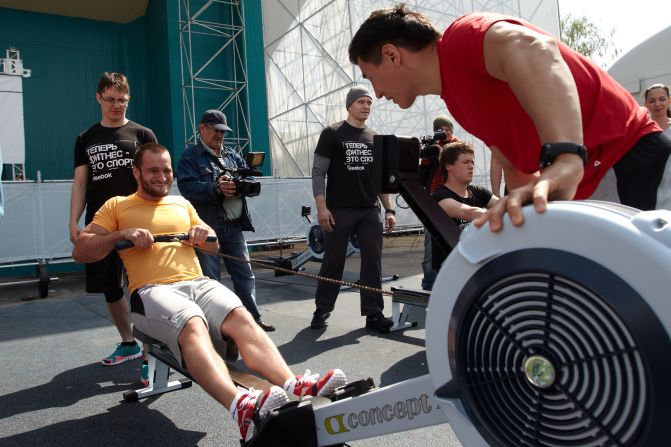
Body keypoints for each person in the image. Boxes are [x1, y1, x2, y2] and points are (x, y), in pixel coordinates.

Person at [72, 143, 347, 443]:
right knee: (192, 323)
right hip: (151, 291)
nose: (162, 176)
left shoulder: (182, 205)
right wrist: (121, 235)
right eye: (153, 170)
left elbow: (213, 244)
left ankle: (294, 384)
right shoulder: (117, 206)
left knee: (241, 316)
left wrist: (204, 235)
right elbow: (82, 250)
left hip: (197, 283)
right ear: (136, 172)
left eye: (166, 170)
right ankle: (239, 405)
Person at [348, 5, 671, 232]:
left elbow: (536, 49)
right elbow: (518, 171)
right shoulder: (456, 101)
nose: (376, 94)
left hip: (631, 160)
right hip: (590, 189)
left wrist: (567, 156)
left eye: (370, 76)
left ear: (392, 55)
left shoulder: (461, 39)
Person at [69, 72, 157, 378]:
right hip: (101, 224)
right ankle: (129, 343)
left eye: (122, 100)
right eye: (110, 99)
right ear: (98, 98)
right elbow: (80, 183)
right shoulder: (86, 138)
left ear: (128, 99)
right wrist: (74, 222)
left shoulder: (143, 134)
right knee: (110, 287)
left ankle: (151, 356)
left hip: (137, 221)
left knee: (143, 289)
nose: (116, 105)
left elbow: (156, 177)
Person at [177, 110, 274, 332]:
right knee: (211, 280)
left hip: (233, 225)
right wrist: (216, 187)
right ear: (202, 129)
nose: (220, 135)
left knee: (244, 274)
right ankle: (217, 326)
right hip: (207, 228)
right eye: (216, 130)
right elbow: (187, 188)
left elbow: (249, 178)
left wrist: (242, 185)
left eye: (223, 131)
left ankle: (253, 319)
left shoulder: (232, 155)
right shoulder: (190, 156)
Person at [310, 86, 396, 331]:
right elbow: (318, 173)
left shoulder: (373, 136)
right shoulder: (332, 133)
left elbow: (380, 180)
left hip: (369, 210)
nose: (366, 106)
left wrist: (389, 210)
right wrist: (322, 208)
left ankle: (373, 313)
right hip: (339, 209)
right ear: (349, 105)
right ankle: (322, 309)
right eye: (361, 102)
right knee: (333, 261)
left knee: (372, 261)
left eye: (369, 102)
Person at [431, 141, 499, 269]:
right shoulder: (439, 196)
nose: (471, 166)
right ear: (449, 166)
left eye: (472, 162)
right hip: (450, 266)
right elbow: (469, 212)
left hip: (475, 261)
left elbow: (501, 205)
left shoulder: (478, 192)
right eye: (465, 162)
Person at [418, 114, 457, 290]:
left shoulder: (459, 148)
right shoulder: (432, 148)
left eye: (447, 130)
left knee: (454, 242)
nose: (445, 133)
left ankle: (452, 283)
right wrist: (425, 156)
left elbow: (454, 171)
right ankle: (429, 284)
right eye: (441, 130)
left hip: (454, 200)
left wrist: (441, 153)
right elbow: (421, 177)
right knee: (430, 246)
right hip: (433, 200)